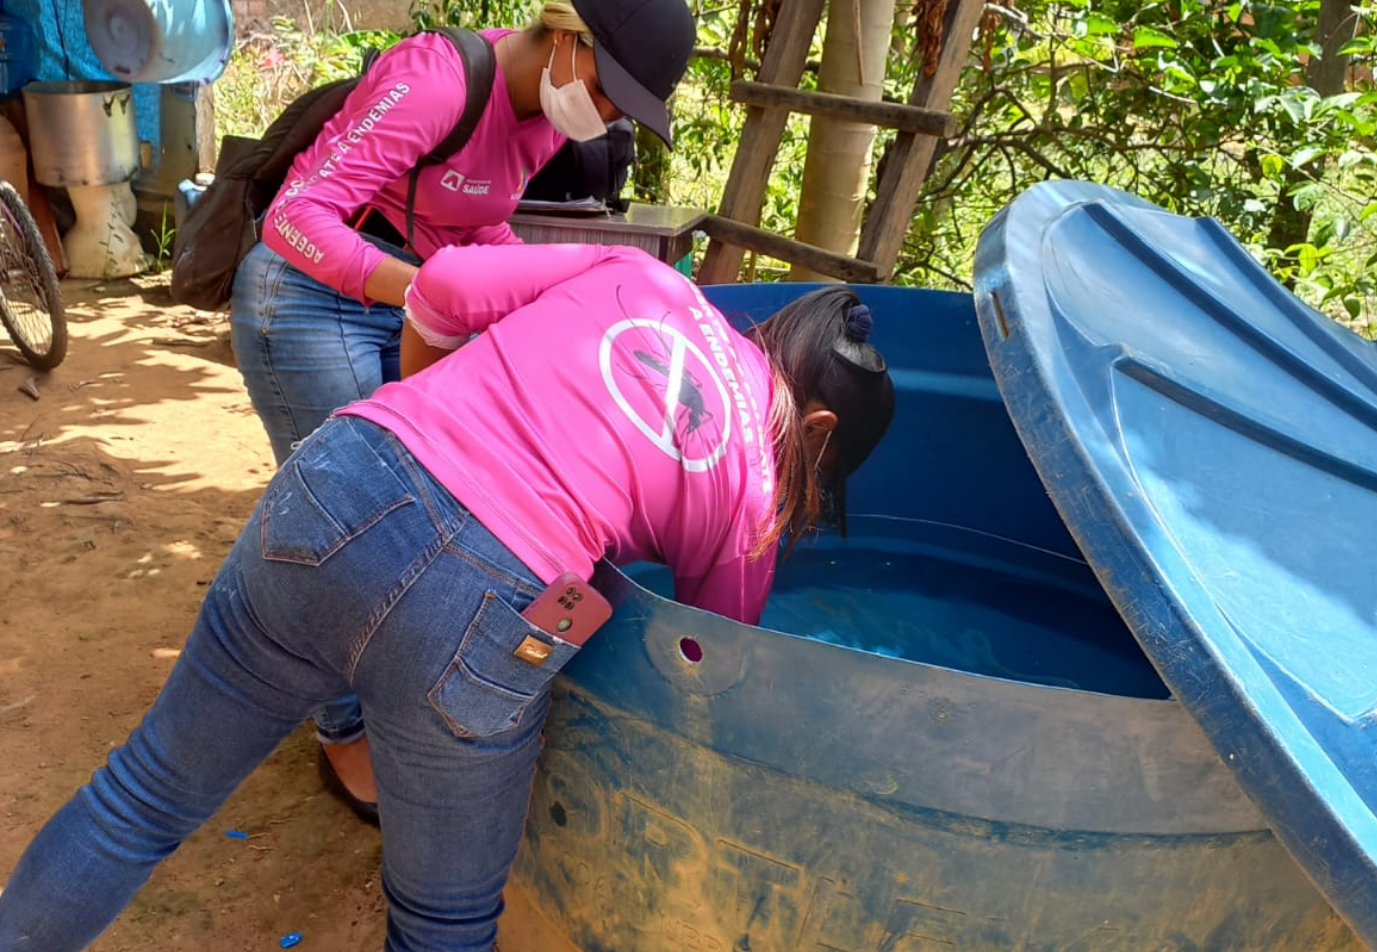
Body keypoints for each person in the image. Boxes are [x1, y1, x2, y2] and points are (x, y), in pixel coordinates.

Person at [0, 243, 894, 952]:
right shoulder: (746, 493)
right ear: (816, 429)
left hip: (340, 479)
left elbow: (443, 287)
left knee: (141, 797)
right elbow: (710, 660)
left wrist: (424, 401)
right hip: (481, 609)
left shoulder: (644, 276)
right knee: (443, 928)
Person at [228, 0, 697, 809]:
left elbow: (476, 220)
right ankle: (344, 732)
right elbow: (295, 217)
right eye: (612, 88)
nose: (612, 114)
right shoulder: (434, 83)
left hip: (404, 290)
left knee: (423, 502)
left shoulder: (543, 123)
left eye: (629, 104)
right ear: (564, 39)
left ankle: (399, 683)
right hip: (305, 293)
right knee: (345, 522)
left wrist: (547, 292)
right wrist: (427, 293)